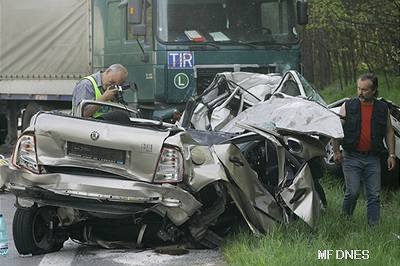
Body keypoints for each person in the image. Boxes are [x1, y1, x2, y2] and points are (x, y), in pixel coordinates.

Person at [332, 73, 396, 226]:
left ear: (374, 90)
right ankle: (345, 221)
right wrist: (336, 152)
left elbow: (389, 131)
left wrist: (391, 154)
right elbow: (336, 130)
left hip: (373, 157)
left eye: (365, 90)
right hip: (351, 156)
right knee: (353, 192)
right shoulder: (347, 106)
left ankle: (373, 226)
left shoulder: (382, 108)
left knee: (374, 195)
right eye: (358, 88)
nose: (360, 92)